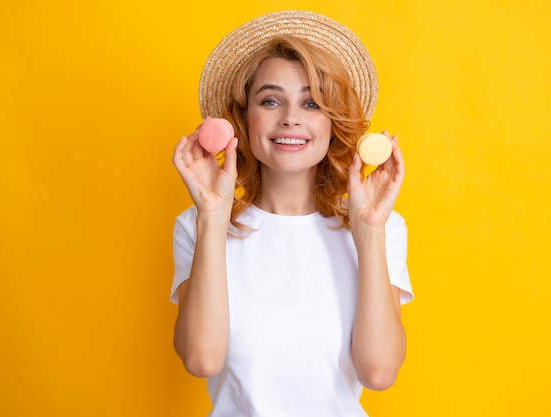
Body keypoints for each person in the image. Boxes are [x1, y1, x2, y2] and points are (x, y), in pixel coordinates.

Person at [170, 10, 414, 416]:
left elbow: (379, 372)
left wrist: (368, 230)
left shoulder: (383, 227)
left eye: (312, 103)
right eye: (270, 100)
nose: (291, 117)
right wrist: (212, 217)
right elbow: (201, 359)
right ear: (243, 120)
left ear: (333, 123)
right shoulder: (197, 224)